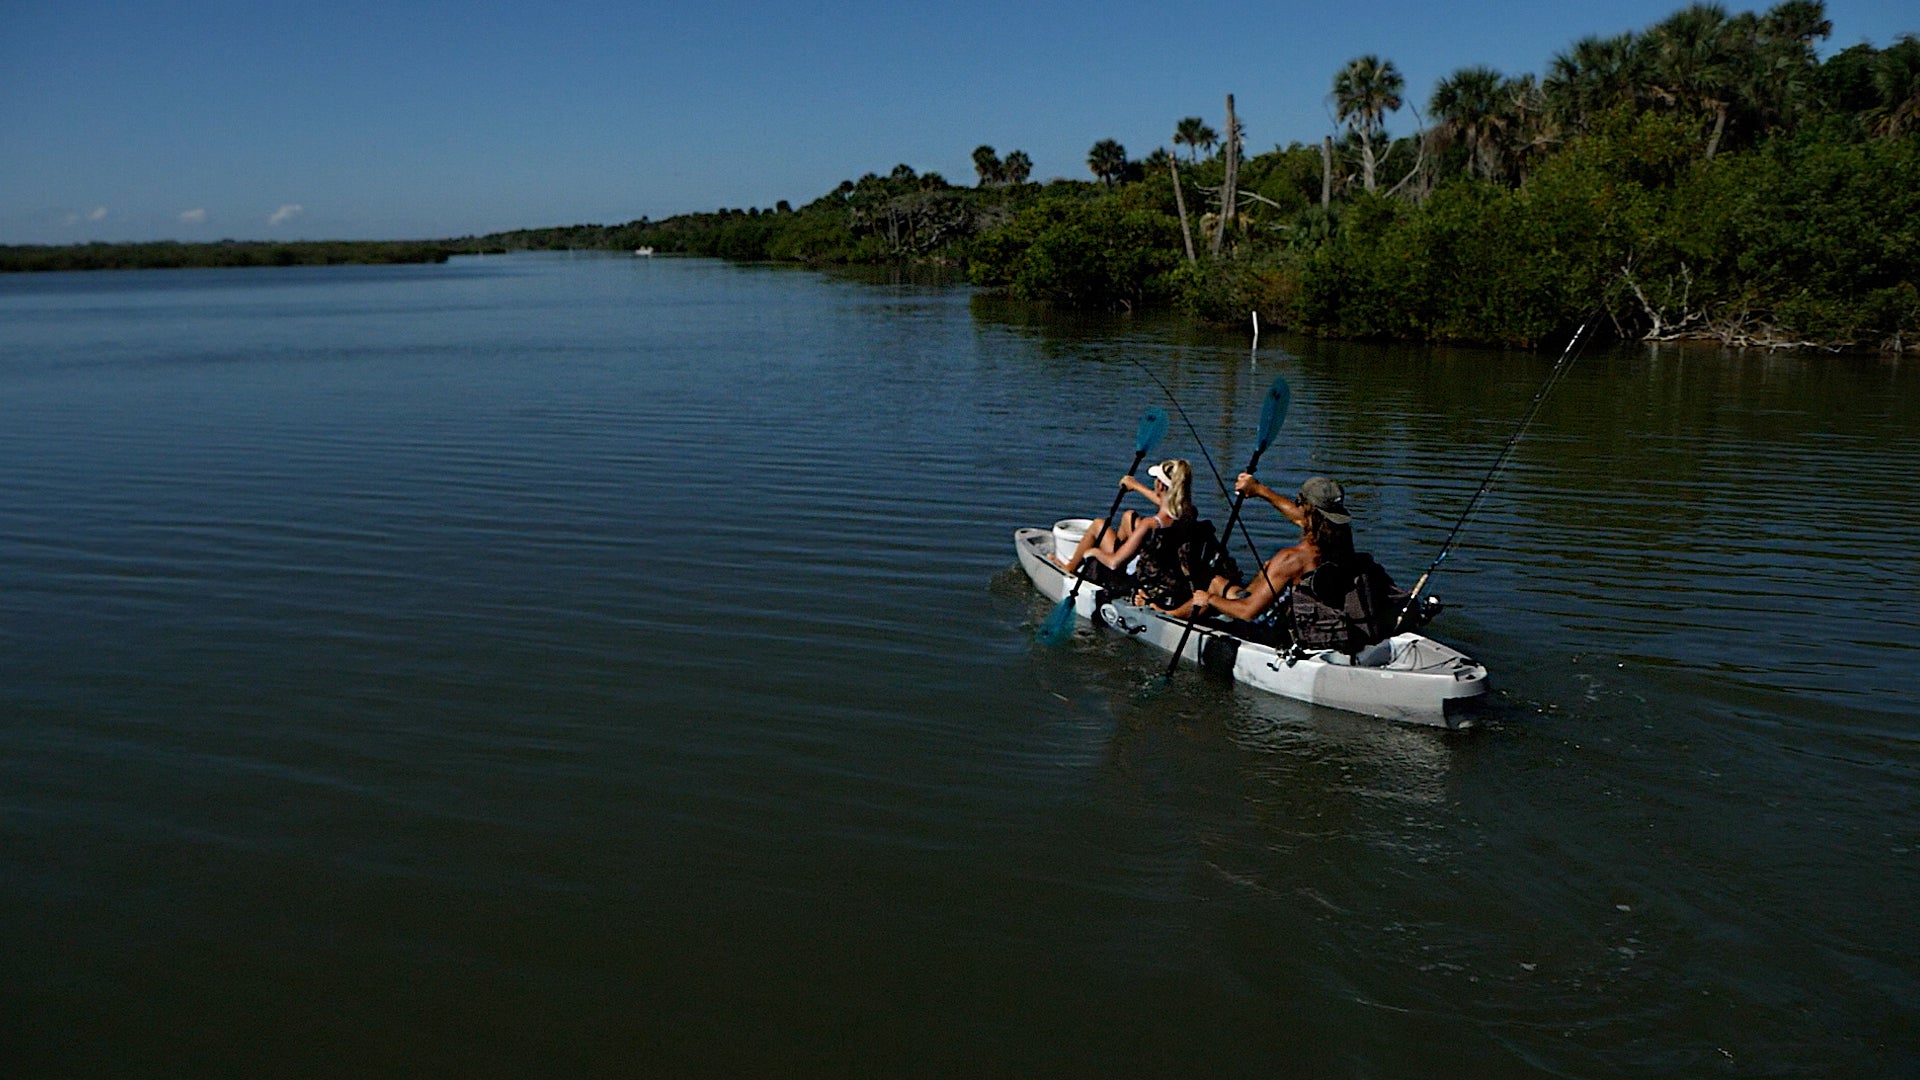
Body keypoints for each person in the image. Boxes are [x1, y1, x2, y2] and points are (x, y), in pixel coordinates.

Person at [1055, 458, 1237, 617]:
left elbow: (1113, 563)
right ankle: (1118, 550)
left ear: (1160, 486)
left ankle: (1070, 567)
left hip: (1144, 585)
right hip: (1172, 581)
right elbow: (1168, 504)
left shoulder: (1150, 524)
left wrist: (1093, 552)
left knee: (1098, 525)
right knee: (1129, 516)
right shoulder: (1188, 514)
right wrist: (1135, 486)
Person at [1191, 473, 1354, 623]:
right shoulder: (1342, 540)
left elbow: (1248, 612)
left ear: (1305, 508)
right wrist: (1260, 490)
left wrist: (1208, 599)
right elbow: (1303, 518)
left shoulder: (1291, 558)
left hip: (1277, 631)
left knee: (1212, 592)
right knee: (1218, 582)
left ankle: (1172, 616)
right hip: (1321, 620)